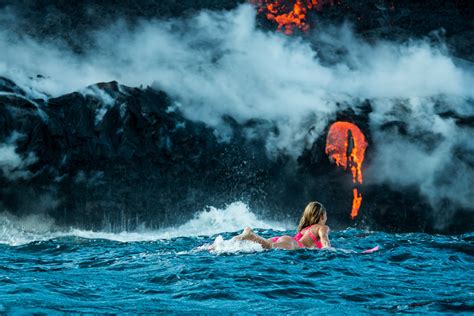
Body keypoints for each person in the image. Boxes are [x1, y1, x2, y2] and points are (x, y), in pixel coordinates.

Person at [234, 201, 331, 250]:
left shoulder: (305, 229)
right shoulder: (322, 227)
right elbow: (324, 238)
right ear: (322, 216)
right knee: (268, 246)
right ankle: (250, 235)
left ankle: (234, 240)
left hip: (285, 239)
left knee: (263, 245)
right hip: (293, 244)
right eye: (326, 215)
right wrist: (328, 250)